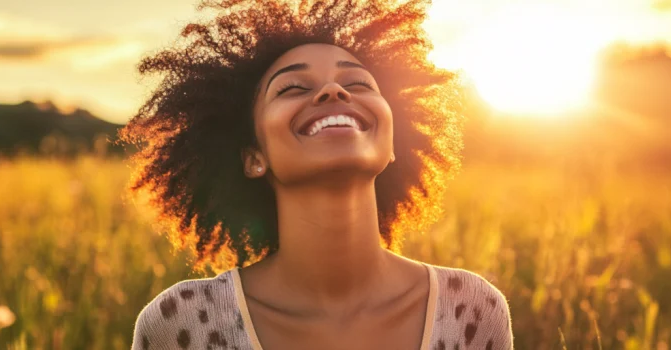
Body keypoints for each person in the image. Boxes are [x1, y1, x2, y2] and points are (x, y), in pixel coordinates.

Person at [123, 0, 513, 349]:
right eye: (292, 88)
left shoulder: (473, 311)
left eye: (358, 83)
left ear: (393, 144)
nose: (333, 91)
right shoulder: (179, 324)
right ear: (253, 157)